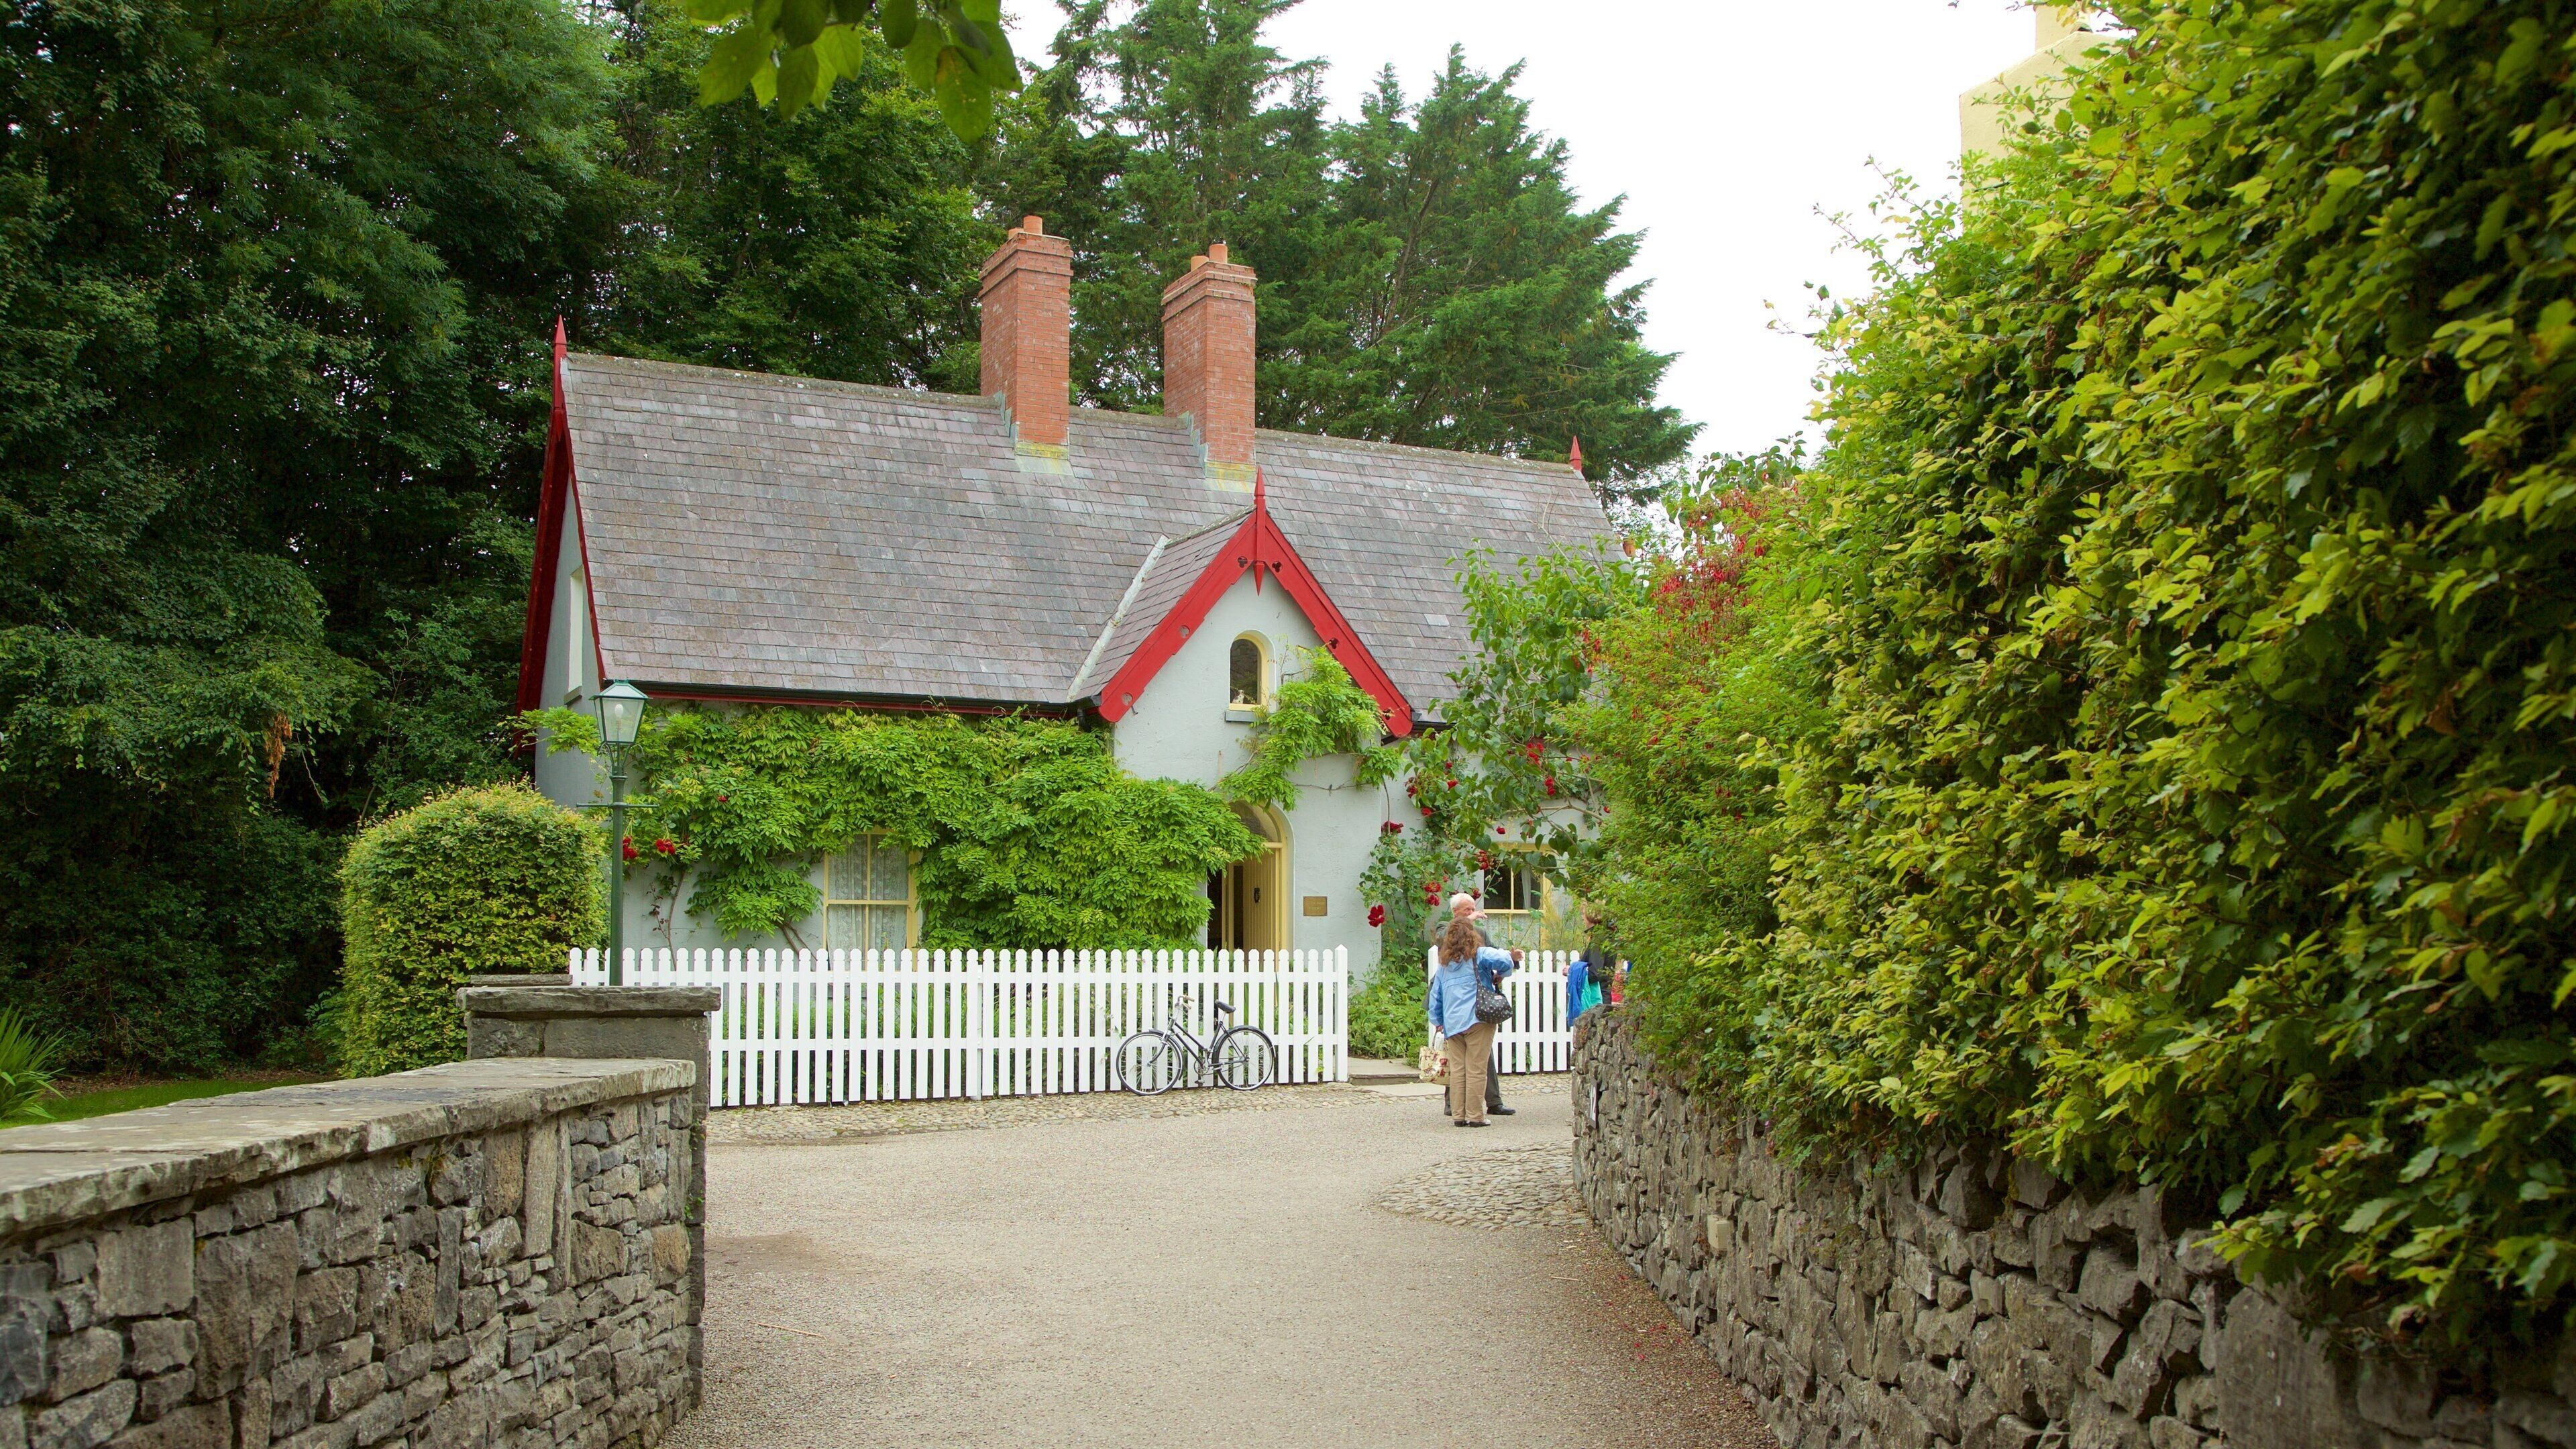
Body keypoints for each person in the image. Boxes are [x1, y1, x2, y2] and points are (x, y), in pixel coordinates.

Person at [1426, 916, 1515, 1127]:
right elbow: (1506, 960)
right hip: (1478, 1018)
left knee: (1458, 1070)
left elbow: (1435, 996)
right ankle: (1475, 1116)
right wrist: (1501, 975)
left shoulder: (1444, 965)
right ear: (1472, 935)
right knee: (1476, 1068)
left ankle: (1459, 1116)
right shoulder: (1479, 954)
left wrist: (1438, 1020)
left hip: (1452, 1022)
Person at [1441, 892, 1519, 1116]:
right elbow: (1443, 939)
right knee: (1463, 1065)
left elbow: (1499, 957)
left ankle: (1492, 1102)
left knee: (1477, 1061)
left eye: (1473, 908)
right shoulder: (1444, 928)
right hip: (1459, 1007)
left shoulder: (1481, 934)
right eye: (1467, 909)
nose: (1473, 912)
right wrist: (1468, 923)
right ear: (1455, 911)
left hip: (1470, 1009)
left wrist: (1505, 969)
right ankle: (1460, 1109)